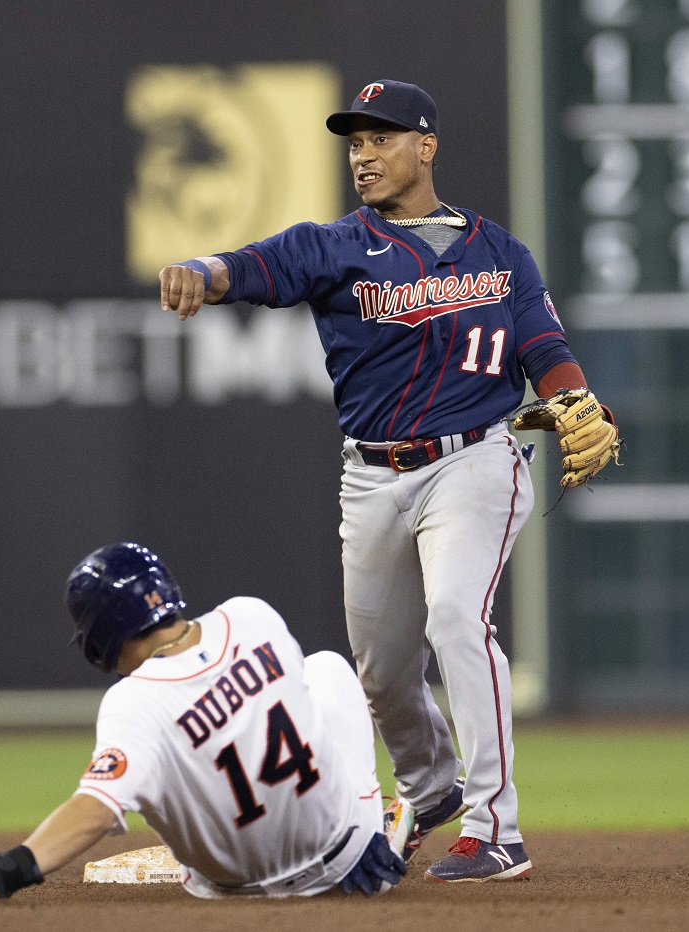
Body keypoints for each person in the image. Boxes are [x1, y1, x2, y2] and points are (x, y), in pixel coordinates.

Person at [157, 80, 619, 882]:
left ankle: (496, 827)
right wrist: (202, 267)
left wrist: (572, 396)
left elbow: (544, 347)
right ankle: (431, 788)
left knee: (455, 617)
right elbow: (251, 265)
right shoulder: (335, 247)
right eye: (354, 142)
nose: (363, 155)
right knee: (381, 669)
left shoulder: (500, 252)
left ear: (426, 146)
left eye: (381, 138)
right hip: (372, 477)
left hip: (477, 458)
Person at [0, 543, 407, 904]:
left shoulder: (134, 702)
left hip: (235, 893)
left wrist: (0, 873)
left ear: (100, 637)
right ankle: (373, 826)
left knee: (168, 770)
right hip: (346, 861)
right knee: (324, 667)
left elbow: (95, 808)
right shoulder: (252, 616)